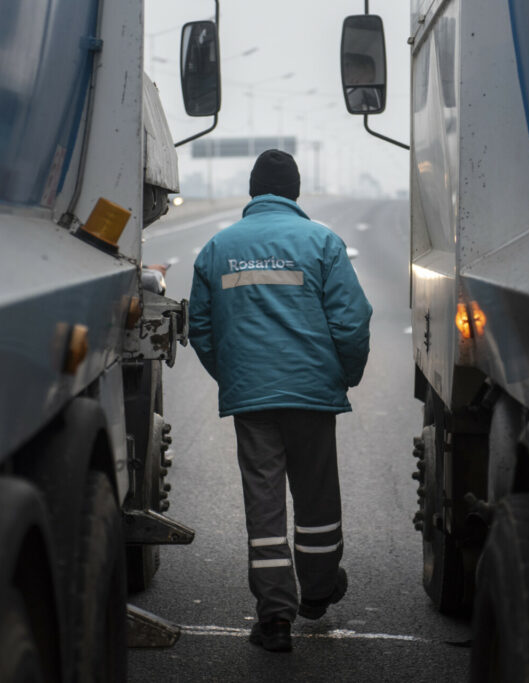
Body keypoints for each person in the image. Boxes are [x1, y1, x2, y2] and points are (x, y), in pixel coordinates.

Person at [188, 150, 372, 653]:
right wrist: (344, 376)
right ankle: (317, 592)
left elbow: (199, 328)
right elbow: (352, 322)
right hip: (311, 394)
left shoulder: (217, 248)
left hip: (252, 398)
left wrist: (234, 377)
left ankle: (274, 621)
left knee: (263, 505)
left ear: (253, 191)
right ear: (294, 192)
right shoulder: (322, 242)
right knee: (316, 499)